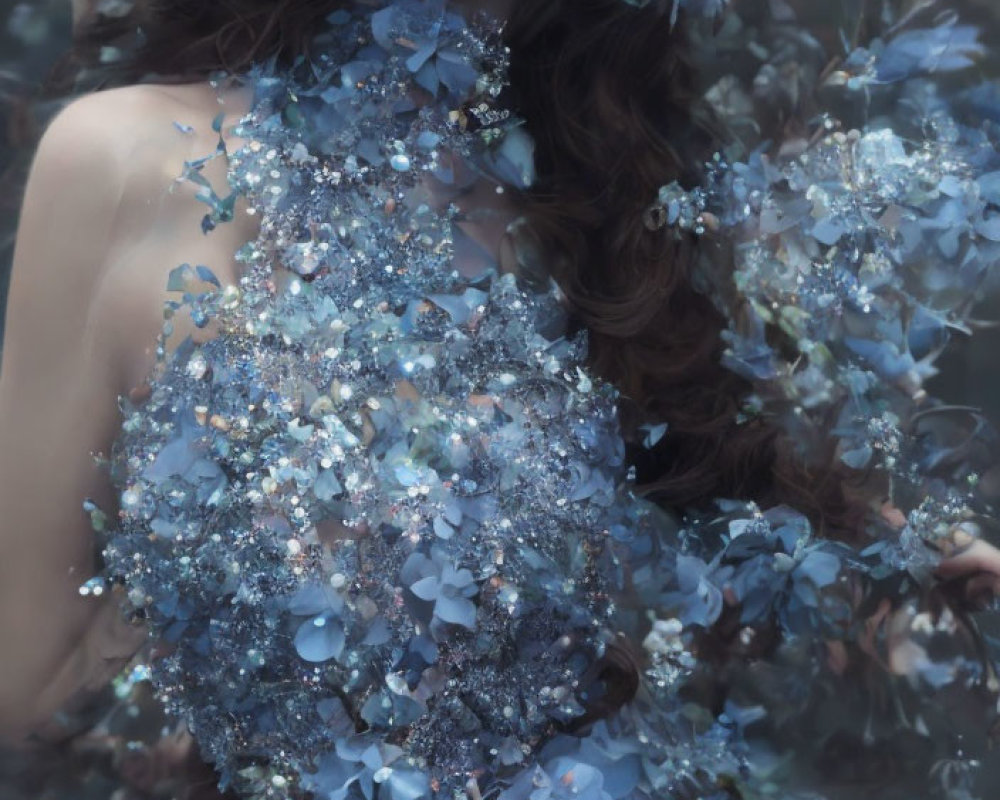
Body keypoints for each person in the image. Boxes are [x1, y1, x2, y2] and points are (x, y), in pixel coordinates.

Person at [2, 0, 1000, 798]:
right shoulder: (124, 161)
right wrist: (227, 628)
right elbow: (24, 683)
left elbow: (691, 529)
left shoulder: (606, 218)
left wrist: (874, 572)